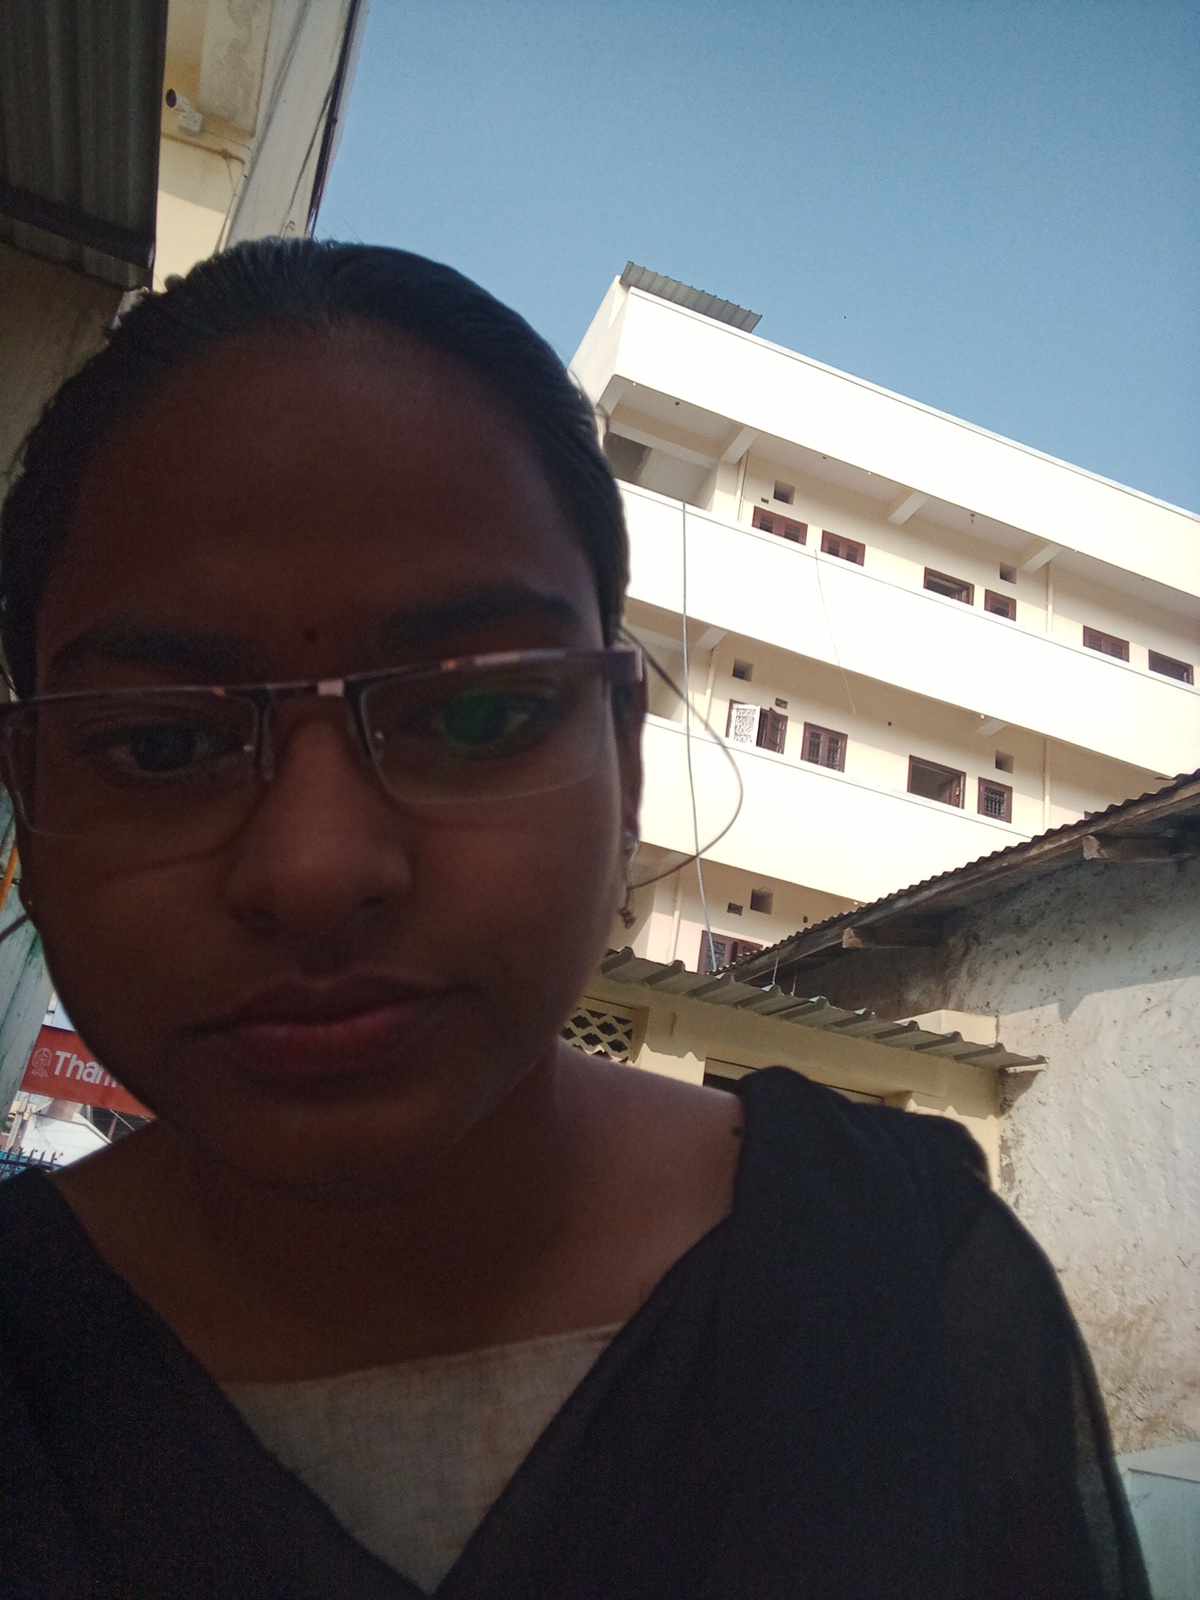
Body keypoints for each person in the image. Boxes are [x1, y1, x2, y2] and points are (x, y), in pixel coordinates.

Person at [0, 239, 1147, 1599]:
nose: (314, 869)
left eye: (480, 713)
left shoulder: (905, 1281)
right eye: (159, 746)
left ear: (626, 760)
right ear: (28, 794)